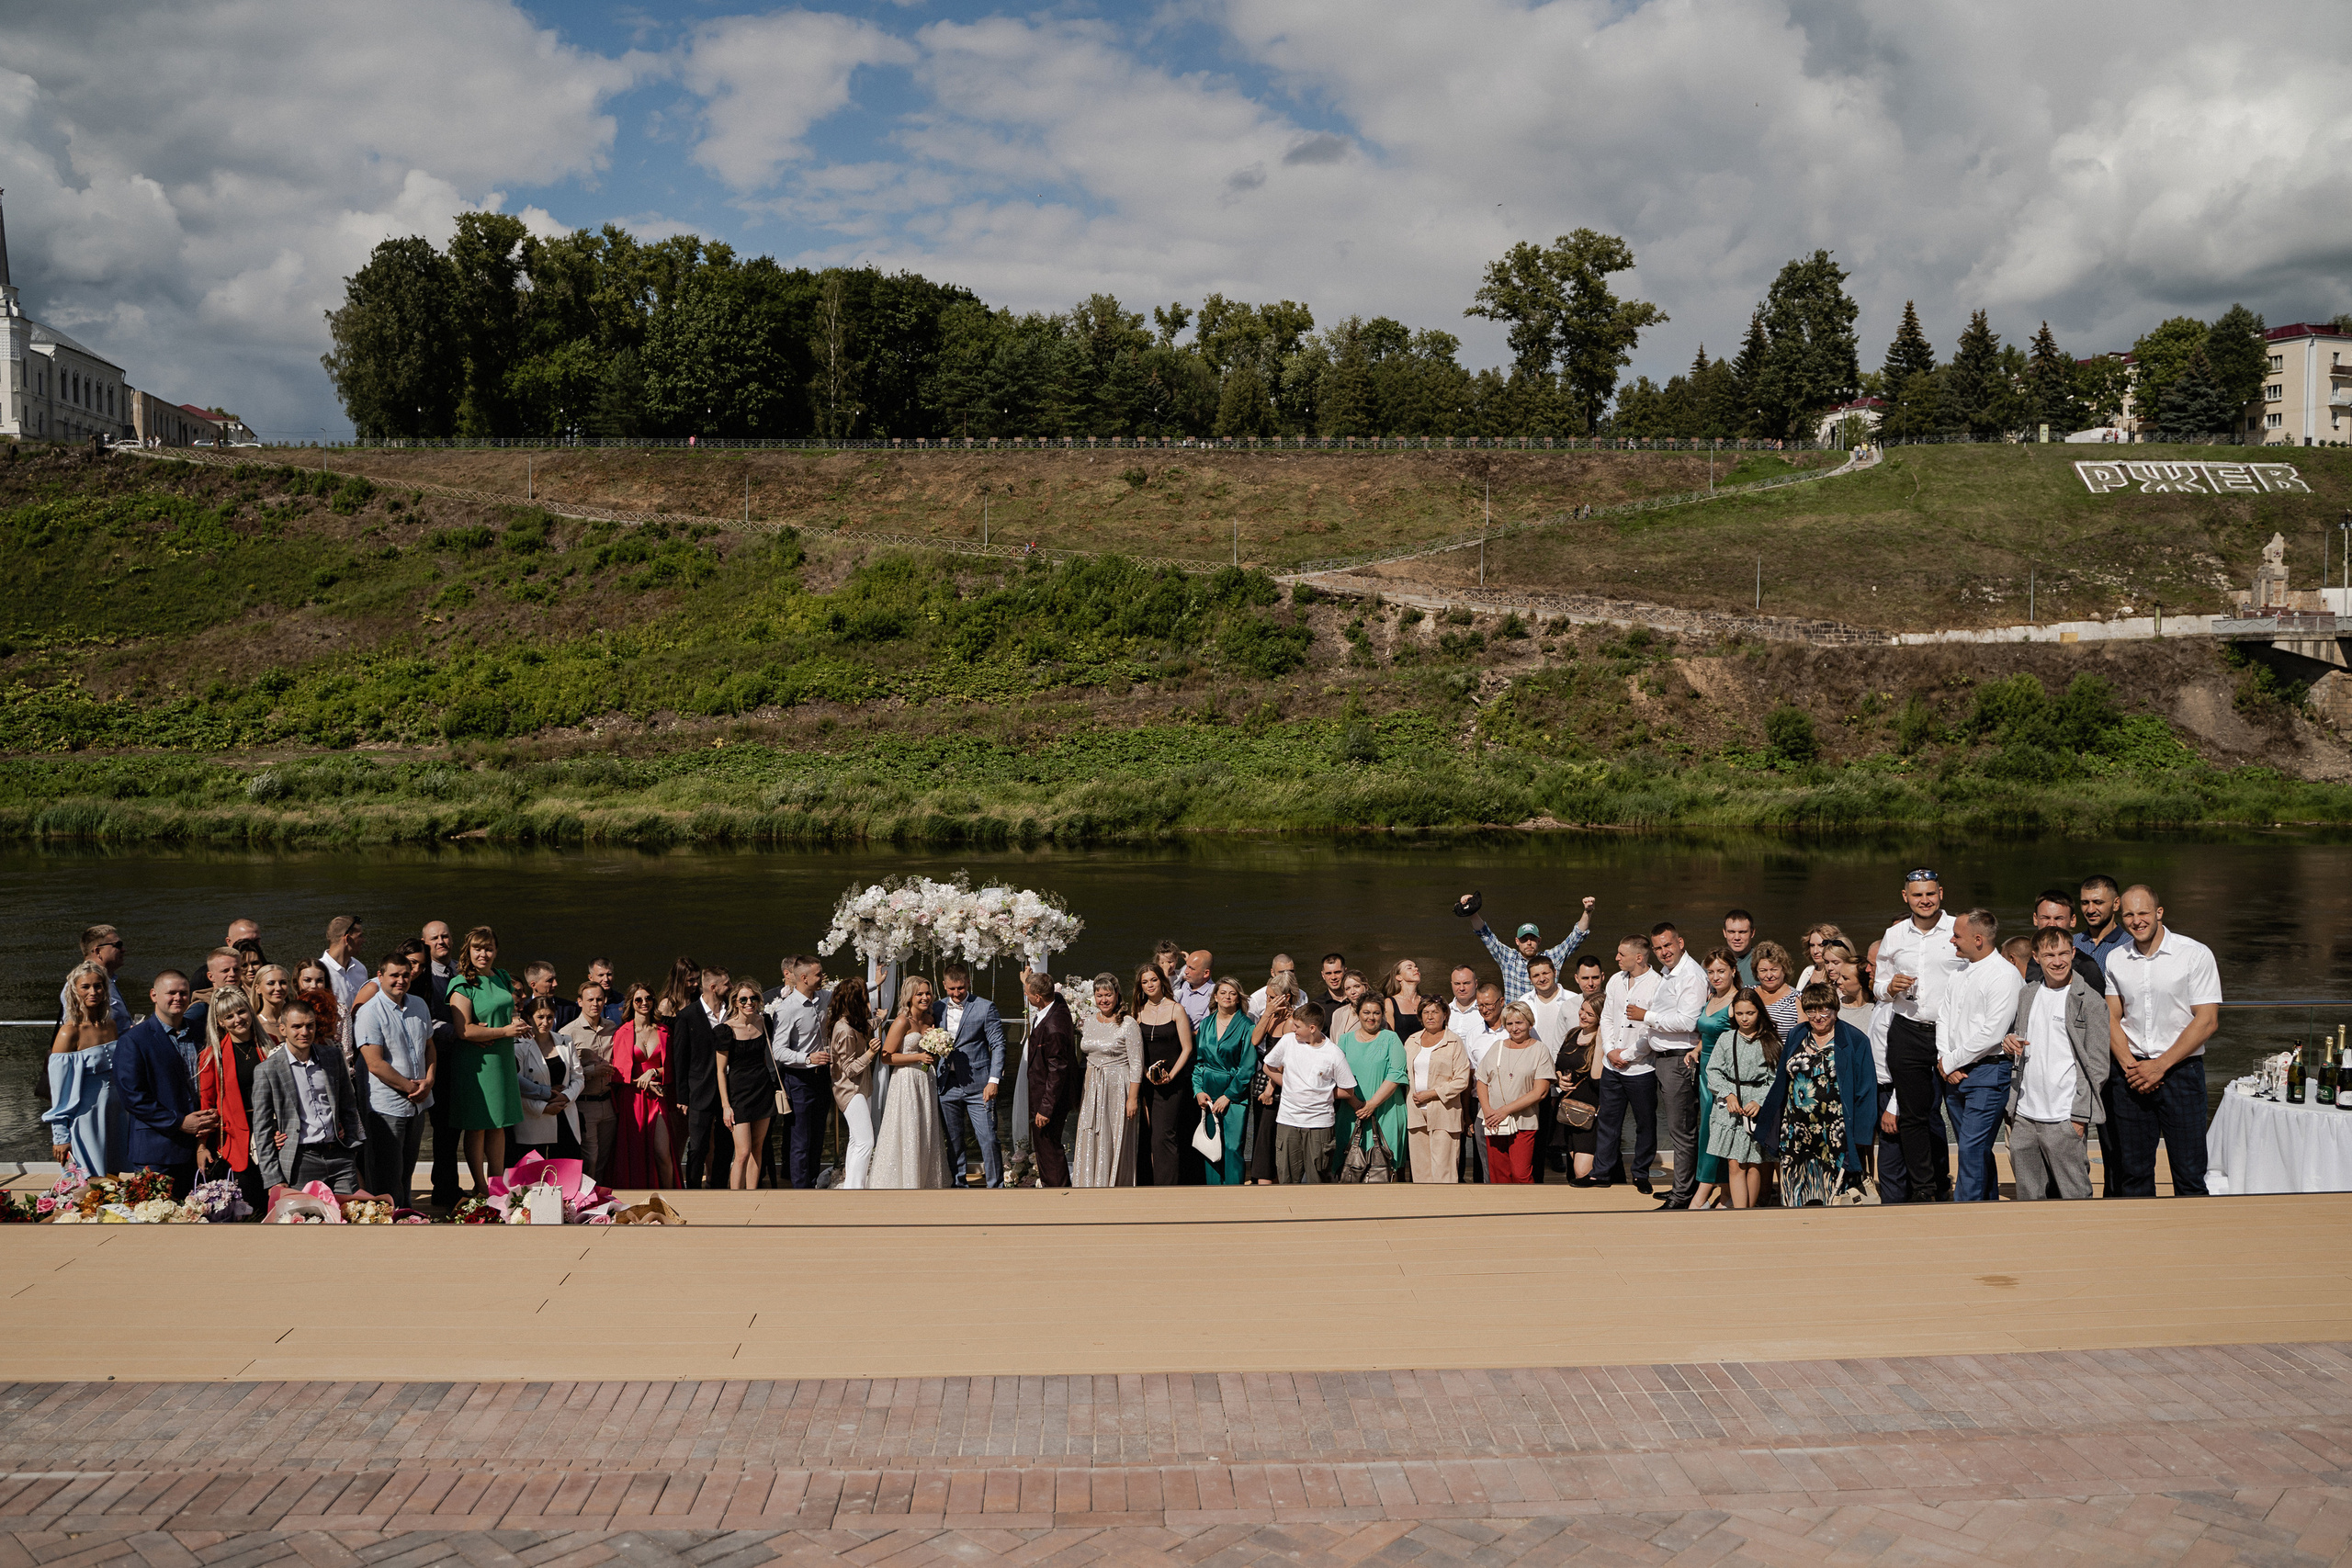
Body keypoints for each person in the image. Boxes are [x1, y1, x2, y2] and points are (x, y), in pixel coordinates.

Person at [2104, 885, 2221, 1198]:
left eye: (2143, 912)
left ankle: (2193, 1229)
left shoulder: (2194, 954)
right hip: (2130, 1074)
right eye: (2129, 914)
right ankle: (2140, 1230)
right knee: (2133, 1175)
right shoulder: (2116, 959)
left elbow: (2207, 1020)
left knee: (2189, 1174)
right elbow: (2111, 1017)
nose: (2136, 921)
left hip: (2181, 1073)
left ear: (2159, 912)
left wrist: (2159, 1066)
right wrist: (2131, 1066)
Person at [2005, 929, 2110, 1201]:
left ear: (2073, 953)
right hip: (2025, 1115)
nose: (2058, 961)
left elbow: (2098, 1066)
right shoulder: (2027, 994)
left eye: (2063, 953)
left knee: (2076, 1196)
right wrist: (2009, 1043)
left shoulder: (2091, 1001)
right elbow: (2020, 1040)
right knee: (2028, 1199)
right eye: (2049, 955)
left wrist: (2078, 1117)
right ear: (2036, 957)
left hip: (2064, 1117)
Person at [1878, 869, 1962, 1204]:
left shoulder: (1959, 929)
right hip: (1908, 1030)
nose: (1924, 900)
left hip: (1952, 1032)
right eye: (1917, 895)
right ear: (1905, 897)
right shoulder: (1894, 934)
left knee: (1958, 1110)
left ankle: (1960, 1184)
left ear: (1941, 893)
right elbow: (1878, 986)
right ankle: (1924, 1190)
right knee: (1913, 1115)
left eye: (1930, 893)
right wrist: (1889, 987)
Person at [1938, 909, 2025, 1203]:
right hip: (1954, 1074)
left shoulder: (2004, 975)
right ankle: (1986, 1204)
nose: (1952, 940)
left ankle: (1966, 1211)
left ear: (1978, 939)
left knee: (1971, 1148)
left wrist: (1950, 1062)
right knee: (1974, 1148)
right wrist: (1945, 1060)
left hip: (1988, 1072)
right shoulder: (1958, 972)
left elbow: (1992, 1033)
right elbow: (1943, 1018)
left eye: (1957, 936)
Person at [445, 926, 529, 1200]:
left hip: (502, 1058)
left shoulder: (502, 977)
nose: (483, 954)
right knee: (478, 1124)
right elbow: (464, 1030)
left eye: (489, 948)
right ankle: (480, 1186)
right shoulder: (461, 984)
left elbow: (508, 1012)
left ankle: (497, 1182)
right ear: (468, 951)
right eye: (478, 948)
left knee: (499, 1123)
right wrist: (504, 1031)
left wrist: (517, 1024)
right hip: (477, 1063)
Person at [114, 971, 211, 1199]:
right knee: (156, 1215)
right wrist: (179, 1122)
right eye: (171, 993)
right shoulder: (134, 1040)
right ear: (154, 995)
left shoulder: (202, 1033)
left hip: (199, 1147)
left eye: (183, 993)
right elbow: (133, 1097)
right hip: (156, 1151)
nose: (178, 998)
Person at [249, 1003, 364, 1196]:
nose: (304, 1032)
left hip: (339, 1156)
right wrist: (273, 1178)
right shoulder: (267, 1070)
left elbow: (348, 1105)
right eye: (297, 1026)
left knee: (348, 1213)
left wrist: (351, 1145)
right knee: (306, 1214)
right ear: (283, 1029)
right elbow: (262, 1128)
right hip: (300, 1160)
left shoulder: (332, 1056)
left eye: (310, 1025)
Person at [1631, 922, 1706, 1210]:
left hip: (1680, 1058)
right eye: (1658, 948)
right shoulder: (1669, 973)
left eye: (1668, 945)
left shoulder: (1691, 975)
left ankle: (1683, 1195)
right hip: (1666, 1059)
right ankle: (1684, 1186)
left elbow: (1688, 1021)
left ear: (1680, 942)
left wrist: (1646, 1016)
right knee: (1678, 1128)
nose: (1664, 952)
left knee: (1681, 1129)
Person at [353, 953, 435, 1209]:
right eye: (394, 975)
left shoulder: (419, 1005)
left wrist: (430, 1079)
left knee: (406, 1171)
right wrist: (412, 1088)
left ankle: (406, 1215)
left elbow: (429, 1046)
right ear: (380, 976)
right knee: (386, 1175)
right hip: (386, 1106)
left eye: (405, 975)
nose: (401, 980)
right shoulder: (369, 1012)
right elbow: (375, 1064)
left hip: (418, 1103)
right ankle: (387, 1222)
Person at [871, 976, 953, 1190]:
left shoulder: (929, 1019)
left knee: (925, 1128)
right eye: (920, 994)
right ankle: (905, 1180)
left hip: (925, 1079)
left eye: (928, 993)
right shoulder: (902, 1021)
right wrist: (918, 1057)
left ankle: (925, 1179)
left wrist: (935, 1049)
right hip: (906, 1080)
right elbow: (886, 1057)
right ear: (910, 997)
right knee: (908, 1128)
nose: (925, 997)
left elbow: (929, 1054)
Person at [1592, 935, 1660, 1192]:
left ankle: (1641, 1174)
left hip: (1641, 1069)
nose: (1617, 958)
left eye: (1622, 954)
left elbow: (1653, 1030)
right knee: (1608, 1121)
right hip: (1612, 1067)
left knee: (1645, 1123)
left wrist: (1628, 1055)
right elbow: (1607, 1018)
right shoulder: (1615, 980)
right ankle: (1601, 1173)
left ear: (1639, 957)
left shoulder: (1657, 985)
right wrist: (1610, 1051)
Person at [45, 961, 124, 1179]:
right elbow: (59, 1091)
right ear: (74, 991)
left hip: (115, 1112)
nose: (93, 992)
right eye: (85, 987)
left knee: (113, 1180)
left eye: (98, 986)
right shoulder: (68, 1033)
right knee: (88, 1184)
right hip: (86, 1116)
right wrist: (60, 1137)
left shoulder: (111, 1025)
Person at [1263, 1002, 1357, 1184]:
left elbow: (1348, 1090)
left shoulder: (1333, 1053)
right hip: (1288, 1121)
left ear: (1312, 1028)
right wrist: (1289, 1085)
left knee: (1317, 1180)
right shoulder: (1288, 1041)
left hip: (1319, 1125)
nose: (1293, 1029)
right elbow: (1269, 1067)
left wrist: (1322, 1093)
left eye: (1297, 1026)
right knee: (1287, 1180)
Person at [934, 963, 1008, 1189]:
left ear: (968, 982)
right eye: (952, 989)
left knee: (988, 1138)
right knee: (954, 1140)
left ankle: (996, 1187)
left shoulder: (985, 1007)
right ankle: (958, 1186)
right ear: (944, 985)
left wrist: (993, 1080)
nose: (956, 994)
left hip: (980, 1085)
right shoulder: (936, 1008)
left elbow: (998, 1045)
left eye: (961, 988)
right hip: (947, 1085)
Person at [198, 987, 268, 1216]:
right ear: (220, 1022)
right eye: (229, 1016)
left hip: (272, 1134)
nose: (238, 1019)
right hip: (237, 1141)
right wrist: (201, 1146)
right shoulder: (212, 1056)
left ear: (250, 1011)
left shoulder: (271, 1045)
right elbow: (207, 1105)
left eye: (241, 1012)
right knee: (249, 1209)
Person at [765, 955, 833, 1190]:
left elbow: (847, 990)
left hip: (822, 1077)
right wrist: (807, 1058)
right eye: (818, 974)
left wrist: (876, 983)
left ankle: (813, 1184)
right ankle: (801, 1190)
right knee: (800, 1138)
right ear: (804, 978)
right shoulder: (787, 1009)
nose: (822, 977)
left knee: (817, 1135)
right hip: (799, 1079)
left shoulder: (822, 997)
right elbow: (778, 1051)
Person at [1704, 990, 1777, 1210]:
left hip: (1754, 1107)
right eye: (1739, 1014)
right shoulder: (1727, 1038)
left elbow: (1775, 1079)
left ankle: (1748, 1211)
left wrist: (1760, 1101)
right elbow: (1713, 1071)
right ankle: (1739, 1211)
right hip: (1730, 1106)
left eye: (1750, 1013)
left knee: (1754, 1163)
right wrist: (1728, 1094)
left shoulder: (1769, 1041)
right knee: (1735, 1164)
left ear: (1759, 1012)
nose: (1744, 1018)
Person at [1072, 972, 1142, 1188]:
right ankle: (1088, 1183)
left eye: (1108, 995)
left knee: (1112, 1136)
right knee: (1090, 1133)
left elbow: (1137, 1064)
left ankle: (1114, 1185)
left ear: (1117, 995)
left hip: (1117, 1086)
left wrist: (1132, 1099)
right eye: (1099, 995)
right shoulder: (1089, 1021)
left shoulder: (1128, 1024)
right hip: (1092, 1084)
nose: (1104, 1000)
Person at [1462, 894, 1598, 1003]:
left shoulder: (1551, 958)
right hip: (1515, 1019)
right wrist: (1472, 912)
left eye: (1532, 939)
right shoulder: (1508, 957)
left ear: (1539, 941)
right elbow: (1485, 934)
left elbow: (1576, 937)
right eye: (1524, 939)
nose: (1528, 942)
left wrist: (1588, 911)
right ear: (1517, 941)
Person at [1130, 962, 1195, 1187]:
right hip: (1145, 1082)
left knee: (1164, 1136)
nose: (1150, 985)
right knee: (1148, 1136)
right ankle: (1147, 1184)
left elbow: (1187, 1048)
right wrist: (1144, 1073)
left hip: (1171, 1084)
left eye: (1154, 980)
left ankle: (1167, 1188)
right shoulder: (1137, 1012)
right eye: (1145, 982)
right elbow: (1134, 1049)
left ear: (1162, 981)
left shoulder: (1176, 1009)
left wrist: (1171, 1075)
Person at [610, 984, 680, 1189]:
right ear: (631, 1003)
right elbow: (618, 1074)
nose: (644, 1003)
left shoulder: (664, 1031)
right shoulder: (622, 1032)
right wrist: (644, 1083)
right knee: (635, 1153)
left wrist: (654, 1072)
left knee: (662, 1152)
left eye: (648, 998)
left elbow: (672, 1068)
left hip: (658, 1096)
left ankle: (671, 1198)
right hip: (632, 1098)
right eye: (638, 999)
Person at [1474, 1002, 1552, 1183]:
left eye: (1519, 1023)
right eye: (1509, 1024)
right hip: (1494, 1121)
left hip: (1523, 1121)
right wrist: (1488, 1111)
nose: (1514, 1028)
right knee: (1498, 1175)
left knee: (1520, 1174)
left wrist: (1505, 1111)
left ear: (1530, 1024)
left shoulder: (1540, 1050)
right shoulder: (1497, 1047)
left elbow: (1540, 1092)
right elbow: (1482, 1081)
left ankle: (1527, 1202)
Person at [1331, 994, 1408, 1178]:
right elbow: (1338, 1075)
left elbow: (1396, 1074)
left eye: (1376, 1013)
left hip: (1386, 1110)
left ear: (1382, 1015)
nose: (1371, 1017)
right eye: (1366, 1012)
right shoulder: (1345, 1040)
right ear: (1358, 1014)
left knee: (1385, 1168)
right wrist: (1357, 1104)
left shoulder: (1391, 1038)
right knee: (1349, 1168)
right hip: (1352, 1110)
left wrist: (1372, 1104)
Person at [669, 961, 729, 1190]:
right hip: (699, 1090)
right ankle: (693, 1189)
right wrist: (682, 1097)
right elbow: (680, 1058)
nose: (731, 987)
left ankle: (720, 1187)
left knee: (725, 1144)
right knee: (698, 1145)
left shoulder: (732, 1011)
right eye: (727, 984)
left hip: (729, 1090)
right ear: (713, 987)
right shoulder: (687, 1016)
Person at [1689, 950, 1741, 1208]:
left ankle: (1704, 1190)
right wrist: (1697, 1049)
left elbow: (1741, 1039)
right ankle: (1726, 1192)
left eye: (1721, 971)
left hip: (1724, 1073)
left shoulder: (1737, 1002)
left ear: (1733, 971)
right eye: (1711, 972)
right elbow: (1708, 1034)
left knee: (1716, 1130)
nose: (1715, 977)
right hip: (1705, 1071)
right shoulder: (1712, 997)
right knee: (1709, 1129)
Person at [713, 980, 777, 1190]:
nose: (749, 1003)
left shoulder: (764, 1022)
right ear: (735, 1002)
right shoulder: (725, 1030)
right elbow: (720, 1071)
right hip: (738, 1094)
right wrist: (726, 1106)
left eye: (753, 998)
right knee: (742, 1152)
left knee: (757, 1148)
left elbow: (765, 1059)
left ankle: (752, 1195)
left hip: (762, 1090)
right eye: (743, 999)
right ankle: (735, 1200)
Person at [1191, 977, 1255, 1185]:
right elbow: (1199, 1062)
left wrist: (1228, 1096)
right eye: (1223, 992)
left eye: (1232, 993)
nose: (1227, 996)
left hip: (1235, 1094)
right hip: (1208, 1092)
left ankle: (1235, 1194)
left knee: (1233, 1147)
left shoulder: (1247, 1026)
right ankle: (1213, 1195)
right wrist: (1198, 1090)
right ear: (1215, 997)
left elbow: (1247, 1067)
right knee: (1211, 1146)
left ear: (1238, 999)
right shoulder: (1205, 1024)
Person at [1403, 995, 1469, 1182]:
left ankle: (1446, 1201)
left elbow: (1462, 1080)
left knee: (1444, 1172)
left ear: (1445, 1015)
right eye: (1426, 1012)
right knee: (1420, 1172)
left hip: (1444, 1112)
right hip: (1416, 1113)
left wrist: (1431, 1094)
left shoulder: (1454, 1042)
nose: (1430, 1016)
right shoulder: (1412, 1041)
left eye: (1435, 1012)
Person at [826, 978, 882, 1190]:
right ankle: (856, 1190)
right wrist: (870, 1053)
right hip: (850, 1090)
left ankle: (850, 1186)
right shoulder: (845, 1030)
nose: (868, 1003)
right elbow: (848, 1069)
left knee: (856, 1139)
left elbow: (865, 1027)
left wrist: (880, 1018)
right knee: (866, 1142)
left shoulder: (852, 1023)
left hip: (861, 1088)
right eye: (865, 999)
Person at [559, 982, 618, 1180]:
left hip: (609, 1102)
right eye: (590, 999)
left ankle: (601, 1195)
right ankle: (586, 1196)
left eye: (599, 999)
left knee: (605, 1158)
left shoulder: (612, 1027)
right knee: (590, 1158)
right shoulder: (568, 1033)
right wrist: (592, 1071)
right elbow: (563, 1074)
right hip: (585, 1103)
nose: (595, 1004)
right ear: (579, 1002)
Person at [1455, 982, 1506, 1182]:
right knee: (1483, 1160)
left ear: (1501, 1002)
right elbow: (1470, 1076)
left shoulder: (1515, 1029)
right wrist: (1467, 1114)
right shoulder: (1474, 1035)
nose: (1484, 1010)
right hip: (1481, 1103)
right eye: (1480, 1006)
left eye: (1489, 1005)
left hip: (1511, 1101)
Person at [508, 995, 565, 1166]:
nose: (545, 1022)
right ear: (529, 1018)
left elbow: (577, 1077)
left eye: (550, 1017)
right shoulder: (518, 1044)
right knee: (530, 1173)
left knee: (559, 1172)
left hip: (561, 1115)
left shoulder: (564, 1041)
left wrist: (565, 1097)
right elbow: (515, 1085)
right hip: (531, 1118)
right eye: (540, 1017)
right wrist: (544, 1104)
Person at [1555, 994, 1602, 1184]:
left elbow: (1597, 1079)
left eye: (1590, 1014)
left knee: (1582, 1171)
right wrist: (1559, 1079)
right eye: (1582, 1009)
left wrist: (1600, 1040)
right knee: (1573, 1169)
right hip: (1569, 1110)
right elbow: (1559, 1065)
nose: (1582, 1015)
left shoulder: (1602, 1040)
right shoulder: (1573, 1033)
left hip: (1591, 1112)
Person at [61, 925, 133, 1035]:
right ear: (98, 951)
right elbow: (78, 1029)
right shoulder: (77, 986)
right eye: (118, 945)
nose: (123, 950)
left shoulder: (109, 980)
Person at [319, 915, 368, 1016]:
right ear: (347, 939)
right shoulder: (319, 971)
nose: (364, 940)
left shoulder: (360, 969)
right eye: (360, 936)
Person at [1750, 942, 1800, 1037]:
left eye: (1774, 970)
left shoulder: (1796, 998)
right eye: (1763, 971)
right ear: (1756, 972)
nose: (1769, 975)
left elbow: (1803, 1035)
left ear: (1784, 970)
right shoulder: (1749, 993)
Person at [1380, 960, 1428, 1034]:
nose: (1416, 969)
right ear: (1399, 977)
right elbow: (1390, 1035)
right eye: (1409, 968)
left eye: (1416, 967)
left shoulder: (1425, 1001)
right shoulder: (1390, 1002)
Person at [1173, 950, 1216, 1027]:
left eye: (1191, 968)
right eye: (1186, 966)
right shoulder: (1181, 983)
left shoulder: (1214, 996)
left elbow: (1205, 1030)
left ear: (1206, 973)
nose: (1186, 971)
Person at [1247, 954, 1298, 1019]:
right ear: (1272, 973)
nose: (1287, 975)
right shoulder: (1255, 999)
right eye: (1282, 972)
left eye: (1291, 971)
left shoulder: (1303, 995)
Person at [1722, 909, 1758, 986]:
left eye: (1742, 932)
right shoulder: (1712, 962)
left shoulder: (1762, 961)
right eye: (1731, 932)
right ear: (1725, 933)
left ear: (1752, 933)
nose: (1737, 937)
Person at [1445, 965, 1482, 1037]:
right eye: (1457, 984)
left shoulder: (1485, 1012)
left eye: (1466, 983)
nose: (1462, 988)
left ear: (1476, 984)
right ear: (1451, 984)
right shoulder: (1445, 1011)